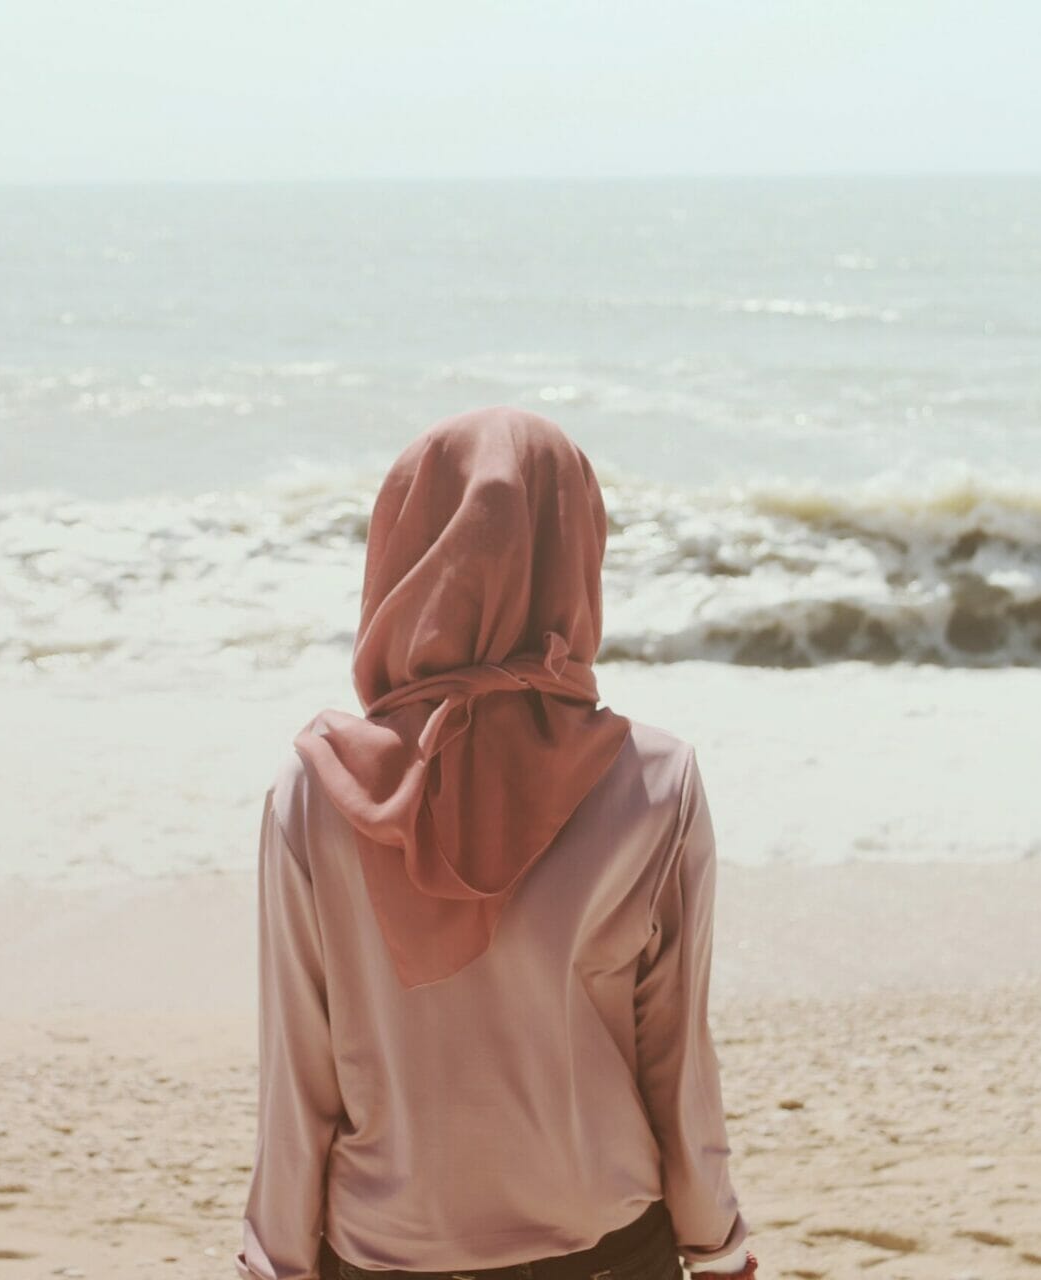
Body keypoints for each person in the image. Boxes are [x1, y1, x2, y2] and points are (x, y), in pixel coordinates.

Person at [236, 406, 757, 1280]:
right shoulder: (655, 780)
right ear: (578, 550)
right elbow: (676, 1055)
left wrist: (277, 1261)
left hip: (388, 1251)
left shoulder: (319, 787)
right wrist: (717, 1246)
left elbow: (297, 1065)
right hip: (605, 1245)